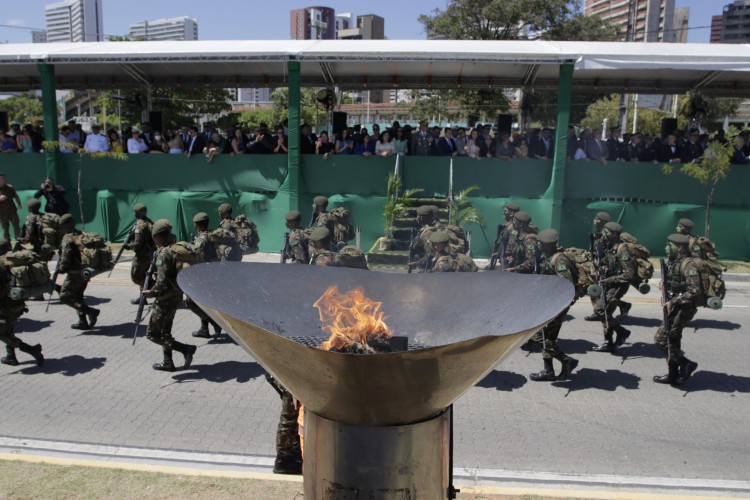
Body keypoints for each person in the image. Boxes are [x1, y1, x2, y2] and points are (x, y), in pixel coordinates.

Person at [526, 229, 580, 381]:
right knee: (548, 336)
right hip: (549, 302)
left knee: (538, 334)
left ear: (549, 245)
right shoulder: (546, 256)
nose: (539, 246)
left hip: (557, 304)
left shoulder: (559, 260)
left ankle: (566, 360)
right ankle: (548, 370)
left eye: (542, 243)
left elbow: (566, 285)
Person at [143, 219, 197, 372]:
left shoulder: (163, 255)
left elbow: (162, 282)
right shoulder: (171, 250)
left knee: (152, 334)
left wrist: (151, 292)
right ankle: (168, 362)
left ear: (156, 237)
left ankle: (186, 349)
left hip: (165, 300)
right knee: (165, 332)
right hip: (174, 297)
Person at [653, 233, 700, 386]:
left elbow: (694, 291)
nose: (667, 248)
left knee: (661, 339)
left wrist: (673, 301)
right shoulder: (675, 262)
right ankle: (673, 374)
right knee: (672, 339)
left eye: (670, 245)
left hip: (683, 308)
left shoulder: (688, 264)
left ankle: (686, 363)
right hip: (675, 306)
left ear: (679, 247)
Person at [0, 238, 44, 367]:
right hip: (18, 304)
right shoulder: (15, 261)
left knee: (4, 334)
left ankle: (32, 350)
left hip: (4, 307)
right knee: (9, 329)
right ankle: (11, 356)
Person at [591, 222, 633, 353]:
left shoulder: (622, 250)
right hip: (608, 283)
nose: (604, 234)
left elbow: (628, 275)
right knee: (606, 312)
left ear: (614, 234)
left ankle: (622, 332)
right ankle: (608, 342)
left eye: (607, 232)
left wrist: (610, 279)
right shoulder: (607, 246)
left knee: (600, 309)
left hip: (618, 285)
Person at [58, 214, 100, 330]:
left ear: (66, 225)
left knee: (64, 296)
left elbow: (65, 257)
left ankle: (91, 311)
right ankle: (82, 321)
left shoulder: (67, 237)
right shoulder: (81, 234)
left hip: (74, 273)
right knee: (78, 296)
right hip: (85, 271)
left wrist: (61, 269)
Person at [188, 212, 223, 339]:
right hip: (211, 273)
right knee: (202, 302)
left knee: (191, 302)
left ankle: (215, 323)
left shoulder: (201, 239)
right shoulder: (210, 235)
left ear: (197, 224)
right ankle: (204, 329)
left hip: (203, 275)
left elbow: (198, 258)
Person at [123, 203, 156, 305]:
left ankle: (157, 288)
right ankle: (143, 297)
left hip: (142, 256)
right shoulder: (149, 222)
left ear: (140, 213)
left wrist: (128, 246)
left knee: (136, 276)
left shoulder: (140, 225)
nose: (135, 214)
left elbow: (138, 243)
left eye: (136, 212)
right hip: (150, 254)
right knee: (144, 275)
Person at [408, 205, 445, 273]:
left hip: (428, 269)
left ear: (421, 217)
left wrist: (418, 263)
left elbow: (430, 254)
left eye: (418, 215)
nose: (417, 218)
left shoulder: (427, 233)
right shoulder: (428, 229)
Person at [0, 174, 22, 241]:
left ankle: (18, 241)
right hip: (2, 213)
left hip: (12, 211)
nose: (1, 180)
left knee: (16, 226)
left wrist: (19, 204)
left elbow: (16, 196)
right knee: (5, 228)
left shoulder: (10, 187)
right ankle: (7, 244)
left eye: (2, 178)